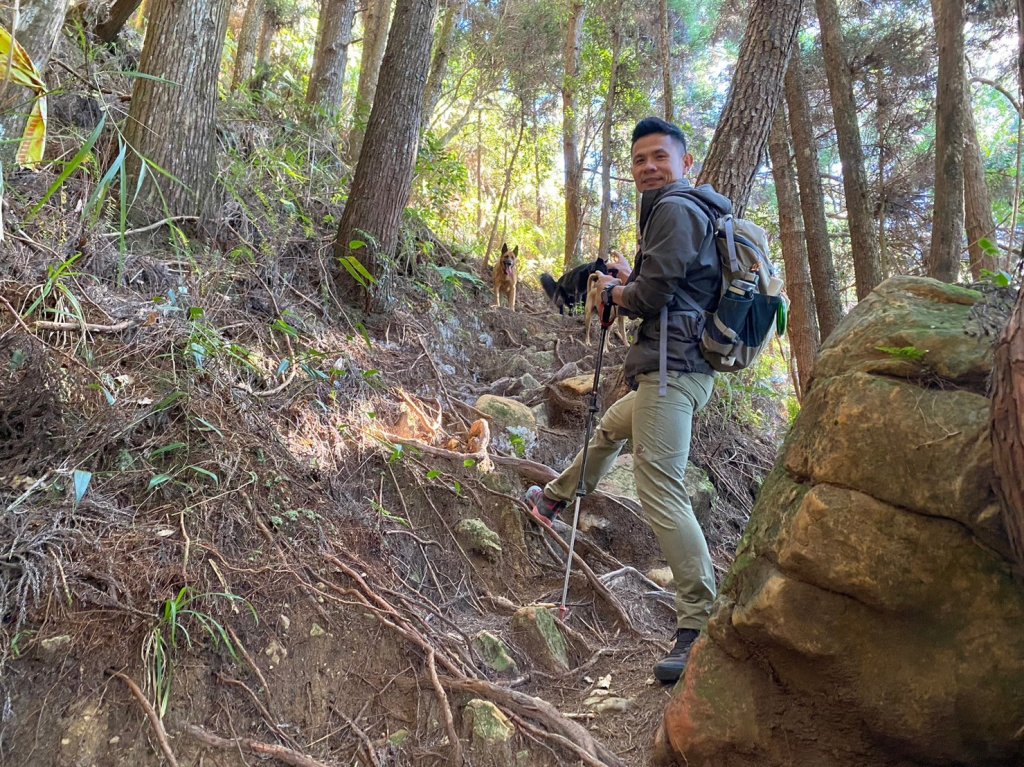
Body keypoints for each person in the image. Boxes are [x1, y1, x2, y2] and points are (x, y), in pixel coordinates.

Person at [525, 116, 730, 684]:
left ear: (685, 163)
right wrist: (628, 278)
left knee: (660, 488)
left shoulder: (676, 208)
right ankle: (555, 499)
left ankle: (698, 622)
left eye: (659, 157)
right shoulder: (686, 212)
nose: (648, 167)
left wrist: (617, 290)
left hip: (673, 373)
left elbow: (655, 292)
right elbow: (670, 282)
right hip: (669, 372)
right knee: (612, 428)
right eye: (639, 159)